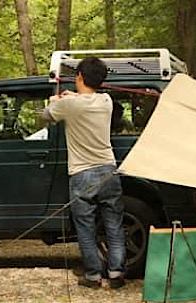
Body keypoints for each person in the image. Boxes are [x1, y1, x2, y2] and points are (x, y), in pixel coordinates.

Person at [42, 57, 125, 289]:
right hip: (109, 169)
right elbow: (86, 99)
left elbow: (45, 115)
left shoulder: (68, 106)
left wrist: (56, 99)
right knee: (113, 222)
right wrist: (70, 97)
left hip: (82, 173)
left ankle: (93, 276)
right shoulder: (106, 101)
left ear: (79, 76)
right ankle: (116, 272)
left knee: (85, 225)